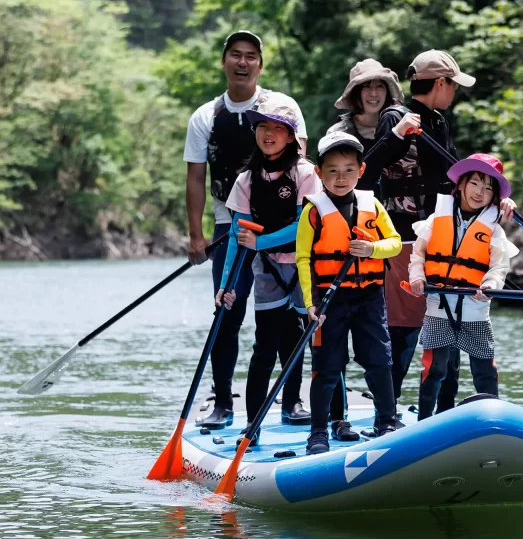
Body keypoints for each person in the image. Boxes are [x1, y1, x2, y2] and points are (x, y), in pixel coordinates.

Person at [365, 49, 504, 410]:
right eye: (453, 85)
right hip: (407, 238)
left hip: (448, 235)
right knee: (406, 329)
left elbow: (462, 177)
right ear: (440, 83)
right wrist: (397, 134)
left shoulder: (439, 123)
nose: (454, 92)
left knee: (451, 326)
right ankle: (387, 409)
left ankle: (445, 410)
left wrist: (499, 200)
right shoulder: (395, 118)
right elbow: (366, 171)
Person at [183, 30, 308, 429]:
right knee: (228, 311)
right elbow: (195, 179)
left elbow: (300, 165)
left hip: (285, 227)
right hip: (230, 224)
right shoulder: (205, 117)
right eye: (235, 55)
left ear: (260, 63)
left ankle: (291, 401)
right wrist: (195, 236)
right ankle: (223, 400)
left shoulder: (282, 105)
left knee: (292, 314)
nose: (243, 62)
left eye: (251, 56)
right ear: (223, 62)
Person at [216, 97, 320, 441]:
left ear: (291, 136)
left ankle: (292, 404)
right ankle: (254, 422)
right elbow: (237, 235)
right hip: (268, 271)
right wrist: (227, 284)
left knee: (295, 340)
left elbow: (305, 226)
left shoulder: (305, 174)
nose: (269, 134)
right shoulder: (246, 180)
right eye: (263, 127)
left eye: (278, 128)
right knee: (264, 345)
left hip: (303, 268)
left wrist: (259, 243)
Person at [295, 131, 403, 455]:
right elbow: (304, 259)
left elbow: (394, 243)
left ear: (361, 170)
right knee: (328, 366)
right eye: (332, 170)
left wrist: (371, 248)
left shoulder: (373, 204)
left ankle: (386, 421)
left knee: (379, 361)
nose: (341, 177)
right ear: (319, 173)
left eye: (348, 169)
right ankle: (319, 432)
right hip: (331, 299)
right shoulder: (313, 211)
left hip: (370, 297)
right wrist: (310, 304)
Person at [406, 154, 518, 418]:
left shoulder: (494, 229)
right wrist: (416, 277)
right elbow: (418, 255)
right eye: (475, 183)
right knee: (434, 369)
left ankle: (493, 420)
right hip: (438, 306)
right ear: (462, 184)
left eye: (489, 188)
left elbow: (499, 267)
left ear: (495, 197)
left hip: (475, 310)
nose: (480, 192)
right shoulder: (437, 219)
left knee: (484, 370)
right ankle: (425, 421)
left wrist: (489, 285)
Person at [328, 59, 403, 178]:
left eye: (380, 86)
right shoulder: (338, 133)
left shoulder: (400, 128)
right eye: (366, 86)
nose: (373, 93)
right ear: (356, 92)